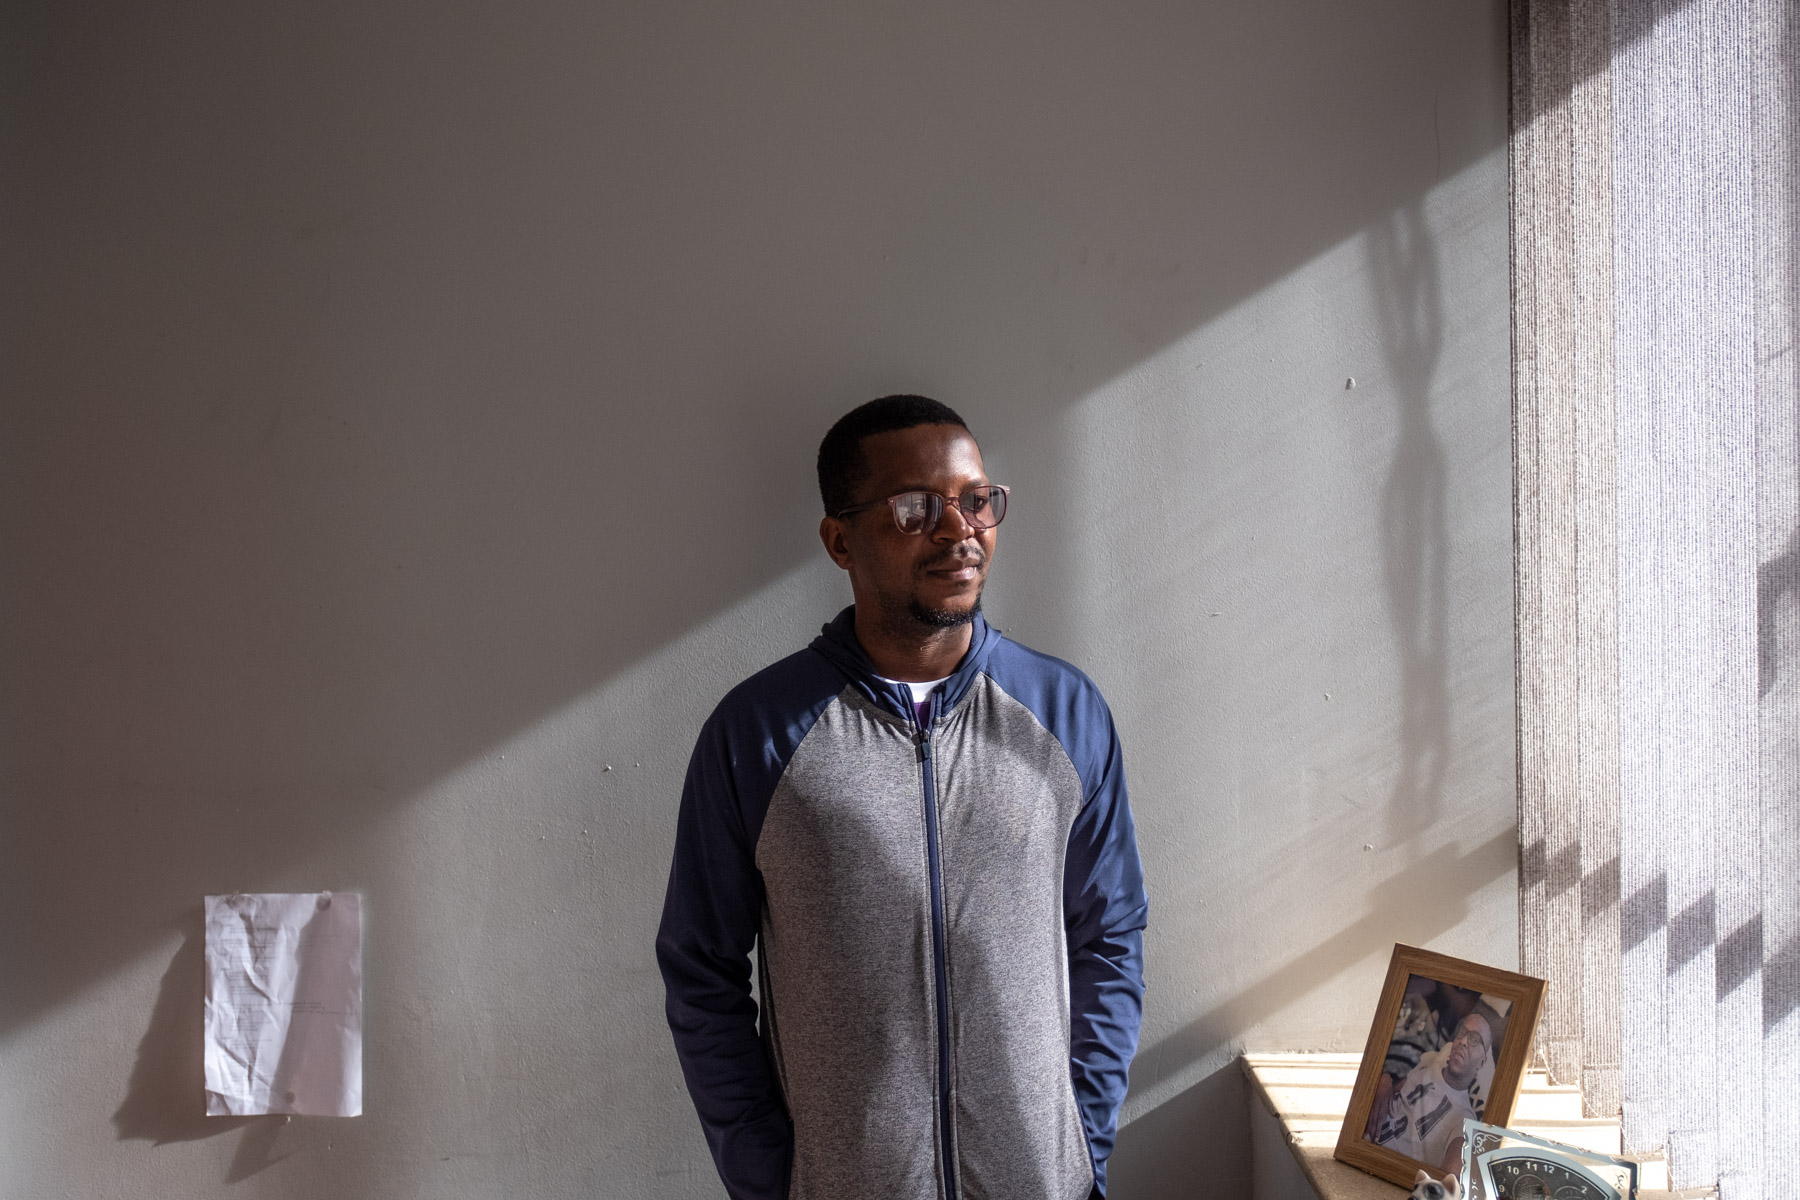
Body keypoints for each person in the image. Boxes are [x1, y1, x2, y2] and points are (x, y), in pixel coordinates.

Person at [656, 395, 1149, 1200]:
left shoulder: (1064, 714)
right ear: (840, 539)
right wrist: (768, 1176)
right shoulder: (758, 733)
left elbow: (1111, 931)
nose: (958, 530)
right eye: (916, 507)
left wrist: (1082, 1141)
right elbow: (700, 967)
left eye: (975, 500)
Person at [1371, 1012, 1494, 1176]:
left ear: (1482, 1062)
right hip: (1364, 1142)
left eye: (1474, 1040)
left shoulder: (1464, 1120)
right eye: (1462, 1033)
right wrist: (1384, 1079)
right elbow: (1394, 1089)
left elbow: (1449, 1181)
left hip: (1390, 1171)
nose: (1464, 1041)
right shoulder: (1430, 1064)